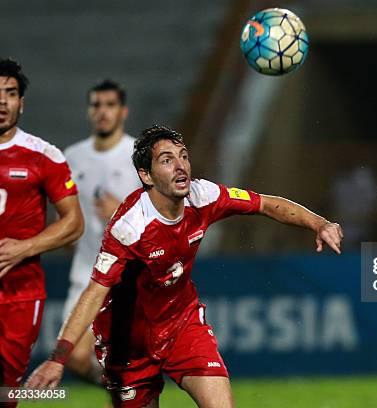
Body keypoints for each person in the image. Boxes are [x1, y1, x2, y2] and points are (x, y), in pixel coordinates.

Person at [27, 125, 344, 408]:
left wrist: (318, 223)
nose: (181, 166)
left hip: (182, 325)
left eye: (183, 156)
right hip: (128, 346)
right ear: (146, 176)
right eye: (167, 160)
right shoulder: (129, 227)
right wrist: (58, 359)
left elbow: (264, 203)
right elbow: (95, 293)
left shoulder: (203, 196)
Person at [0, 58, 84, 404]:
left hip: (19, 294)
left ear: (22, 102)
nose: (2, 102)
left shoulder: (43, 155)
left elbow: (74, 222)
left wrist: (24, 247)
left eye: (11, 93)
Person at [62, 79, 141, 383]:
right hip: (85, 272)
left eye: (110, 105)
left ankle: (125, 391)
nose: (103, 112)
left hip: (126, 276)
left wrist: (118, 212)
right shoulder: (72, 156)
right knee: (74, 356)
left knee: (121, 358)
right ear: (88, 111)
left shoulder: (138, 155)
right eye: (97, 105)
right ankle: (120, 391)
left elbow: (157, 214)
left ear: (123, 111)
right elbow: (67, 212)